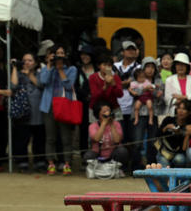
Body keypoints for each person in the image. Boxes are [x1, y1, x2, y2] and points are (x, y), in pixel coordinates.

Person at [39, 47, 79, 175]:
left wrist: (61, 69)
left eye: (62, 54)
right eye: (57, 54)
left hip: (64, 106)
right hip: (49, 106)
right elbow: (43, 81)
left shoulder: (72, 69)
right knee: (50, 137)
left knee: (66, 137)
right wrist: (50, 65)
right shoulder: (47, 68)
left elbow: (68, 86)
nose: (59, 56)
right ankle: (51, 163)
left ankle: (67, 163)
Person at [10, 52, 44, 172]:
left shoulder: (40, 74)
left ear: (35, 63)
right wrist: (14, 67)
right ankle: (22, 162)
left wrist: (29, 74)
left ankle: (39, 161)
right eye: (24, 60)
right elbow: (13, 87)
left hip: (37, 111)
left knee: (39, 138)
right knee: (22, 138)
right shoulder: (18, 74)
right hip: (23, 111)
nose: (26, 63)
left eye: (30, 60)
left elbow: (41, 85)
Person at [84, 102, 130, 171]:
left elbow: (117, 140)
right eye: (104, 111)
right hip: (98, 154)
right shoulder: (93, 126)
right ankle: (96, 170)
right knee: (88, 155)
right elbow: (96, 139)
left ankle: (119, 170)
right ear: (98, 114)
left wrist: (111, 125)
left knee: (122, 151)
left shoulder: (116, 124)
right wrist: (104, 123)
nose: (107, 113)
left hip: (113, 155)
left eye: (109, 111)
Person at [155, 98, 191, 168]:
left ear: (189, 112)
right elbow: (157, 135)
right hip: (165, 151)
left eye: (184, 109)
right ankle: (167, 179)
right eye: (179, 108)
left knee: (179, 159)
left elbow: (183, 149)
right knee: (163, 161)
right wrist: (166, 128)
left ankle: (178, 178)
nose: (180, 111)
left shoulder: (190, 125)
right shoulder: (168, 120)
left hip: (179, 153)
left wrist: (186, 135)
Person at [113, 41, 141, 141]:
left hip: (133, 108)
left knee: (131, 139)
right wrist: (127, 83)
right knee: (118, 138)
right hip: (116, 107)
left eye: (133, 49)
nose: (131, 51)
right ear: (122, 52)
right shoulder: (113, 65)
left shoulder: (140, 67)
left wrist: (118, 82)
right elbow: (109, 82)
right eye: (128, 49)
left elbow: (137, 85)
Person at [164, 52, 191, 118]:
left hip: (190, 112)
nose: (180, 67)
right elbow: (167, 98)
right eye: (178, 65)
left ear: (187, 67)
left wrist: (182, 97)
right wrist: (178, 102)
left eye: (183, 65)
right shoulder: (169, 80)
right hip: (175, 111)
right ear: (175, 66)